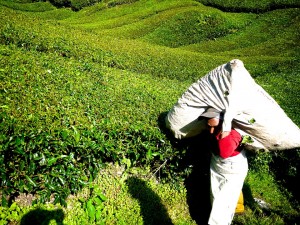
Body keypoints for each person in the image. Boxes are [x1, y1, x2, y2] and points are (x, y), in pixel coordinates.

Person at [199, 108, 248, 225]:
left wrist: (223, 134)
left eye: (215, 127)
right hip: (217, 163)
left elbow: (224, 152)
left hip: (232, 167)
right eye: (208, 125)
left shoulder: (233, 134)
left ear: (224, 123)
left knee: (223, 202)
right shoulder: (214, 129)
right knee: (215, 193)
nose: (211, 131)